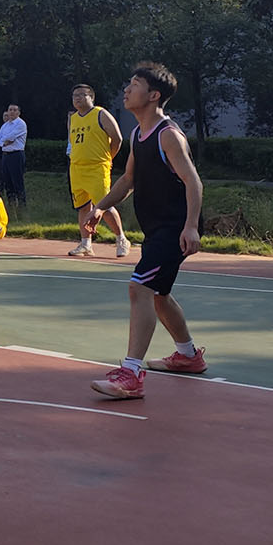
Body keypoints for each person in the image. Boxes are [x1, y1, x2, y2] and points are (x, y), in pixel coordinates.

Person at [83, 62, 208, 401]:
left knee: (139, 287)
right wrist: (100, 207)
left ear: (153, 95)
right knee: (158, 295)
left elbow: (193, 182)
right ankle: (188, 355)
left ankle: (131, 374)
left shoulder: (168, 135)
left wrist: (191, 226)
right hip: (156, 229)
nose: (127, 89)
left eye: (135, 84)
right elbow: (128, 180)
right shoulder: (139, 134)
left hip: (174, 228)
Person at [66, 84, 128, 259]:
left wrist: (108, 157)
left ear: (91, 97)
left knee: (104, 205)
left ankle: (121, 239)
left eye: (81, 95)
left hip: (97, 167)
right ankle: (86, 244)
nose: (77, 98)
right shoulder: (73, 118)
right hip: (77, 168)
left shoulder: (101, 114)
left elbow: (117, 138)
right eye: (74, 95)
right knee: (83, 207)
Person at [0, 104, 28, 205]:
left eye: (14, 110)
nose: (12, 112)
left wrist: (4, 140)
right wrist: (3, 143)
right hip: (5, 155)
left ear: (18, 112)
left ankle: (22, 204)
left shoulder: (20, 124)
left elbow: (10, 137)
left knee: (17, 180)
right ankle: (11, 203)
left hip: (16, 154)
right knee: (7, 180)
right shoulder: (5, 125)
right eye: (10, 110)